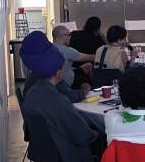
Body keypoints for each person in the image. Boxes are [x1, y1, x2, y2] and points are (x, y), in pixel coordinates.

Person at [19, 31, 104, 162]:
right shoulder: (57, 100)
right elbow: (83, 135)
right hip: (65, 153)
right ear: (59, 72)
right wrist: (99, 133)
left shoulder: (33, 92)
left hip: (43, 152)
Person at [69, 17, 107, 90]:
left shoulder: (74, 34)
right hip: (89, 69)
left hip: (74, 67)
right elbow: (107, 48)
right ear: (98, 28)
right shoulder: (97, 39)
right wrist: (102, 36)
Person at [53, 25, 95, 91]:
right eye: (69, 35)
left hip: (55, 81)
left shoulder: (50, 47)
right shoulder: (66, 50)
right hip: (64, 86)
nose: (70, 37)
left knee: (87, 66)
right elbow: (89, 57)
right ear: (63, 36)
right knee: (87, 83)